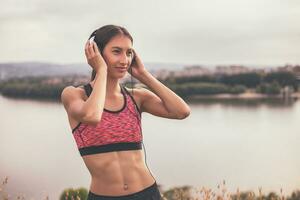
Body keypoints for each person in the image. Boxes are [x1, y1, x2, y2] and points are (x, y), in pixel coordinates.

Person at [61, 24, 190, 200]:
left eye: (129, 53)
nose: (124, 60)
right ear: (95, 52)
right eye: (116, 51)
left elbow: (182, 111)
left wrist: (143, 74)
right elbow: (92, 116)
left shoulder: (136, 97)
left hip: (148, 194)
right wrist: (102, 70)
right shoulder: (75, 95)